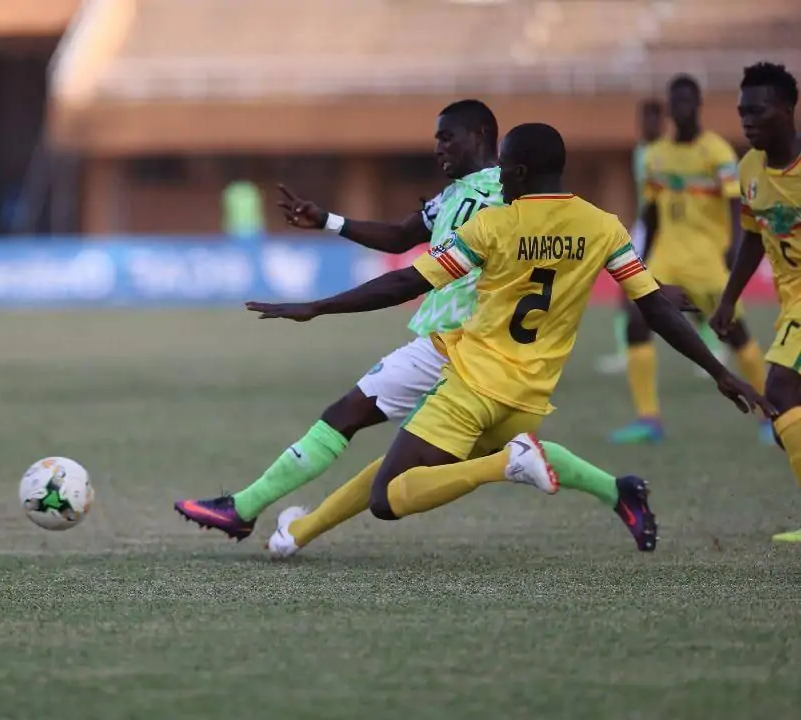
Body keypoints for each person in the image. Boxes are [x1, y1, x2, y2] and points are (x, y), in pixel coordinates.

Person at [245, 123, 772, 559]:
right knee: (406, 467)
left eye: (503, 167)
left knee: (389, 496)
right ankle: (299, 533)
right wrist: (719, 371)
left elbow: (407, 281)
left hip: (474, 383)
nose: (498, 175)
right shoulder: (602, 226)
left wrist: (318, 306)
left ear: (517, 172)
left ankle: (506, 465)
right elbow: (654, 306)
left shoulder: (494, 225)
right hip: (530, 396)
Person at [175, 102, 661, 552]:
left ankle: (245, 509)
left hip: (459, 344)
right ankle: (615, 490)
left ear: (480, 136)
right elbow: (405, 234)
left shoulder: (506, 196)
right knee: (405, 462)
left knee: (347, 415)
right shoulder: (459, 196)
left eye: (447, 138)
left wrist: (319, 306)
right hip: (489, 359)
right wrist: (330, 221)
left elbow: (440, 271)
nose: (438, 148)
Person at [611, 75, 773, 445]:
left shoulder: (715, 151)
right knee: (637, 322)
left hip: (707, 262)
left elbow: (735, 203)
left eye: (686, 102)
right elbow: (651, 213)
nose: (680, 109)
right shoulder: (657, 155)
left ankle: (769, 415)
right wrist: (638, 262)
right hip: (666, 261)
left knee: (734, 334)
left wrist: (734, 244)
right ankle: (649, 419)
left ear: (698, 105)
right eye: (675, 103)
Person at [711, 62, 801, 542]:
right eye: (742, 112)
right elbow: (752, 237)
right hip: (790, 302)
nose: (746, 121)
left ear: (788, 110)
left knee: (781, 391)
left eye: (757, 111)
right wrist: (729, 299)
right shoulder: (749, 167)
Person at [596, 99, 726, 376]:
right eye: (644, 121)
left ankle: (712, 345)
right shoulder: (640, 152)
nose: (648, 126)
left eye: (654, 120)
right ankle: (626, 351)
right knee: (627, 288)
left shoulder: (666, 154)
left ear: (663, 123)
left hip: (672, 228)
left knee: (689, 290)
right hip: (646, 226)